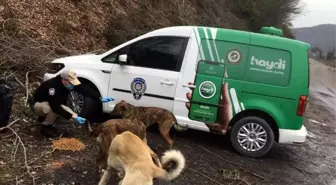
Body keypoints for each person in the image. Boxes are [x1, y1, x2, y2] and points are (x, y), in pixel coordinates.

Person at [32, 69, 114, 138]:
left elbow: (84, 90)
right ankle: (46, 127)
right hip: (39, 105)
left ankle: (50, 120)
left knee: (72, 116)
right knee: (51, 109)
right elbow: (55, 106)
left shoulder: (69, 84)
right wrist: (73, 116)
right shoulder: (53, 86)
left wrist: (99, 98)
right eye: (71, 83)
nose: (73, 85)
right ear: (64, 80)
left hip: (54, 104)